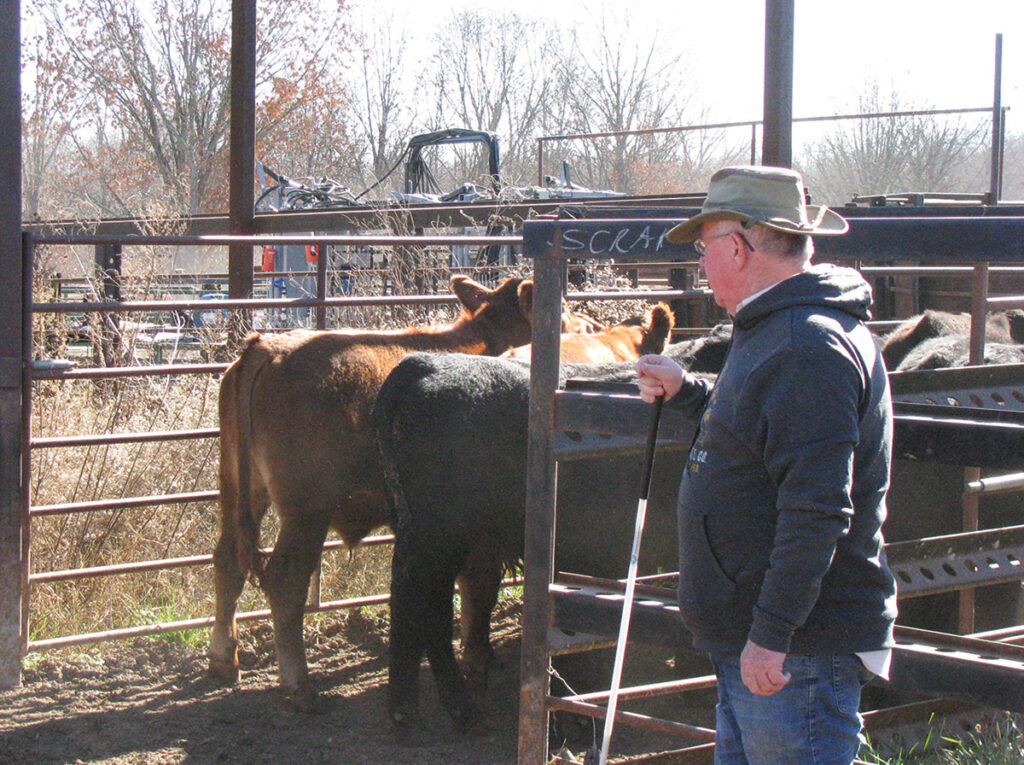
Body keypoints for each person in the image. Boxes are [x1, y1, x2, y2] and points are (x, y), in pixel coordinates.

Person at [636, 166, 898, 765]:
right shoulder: (780, 329)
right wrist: (692, 392)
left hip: (792, 653)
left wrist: (771, 634)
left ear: (737, 246)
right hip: (765, 644)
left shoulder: (807, 345)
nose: (702, 263)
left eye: (705, 248)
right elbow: (762, 433)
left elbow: (817, 509)